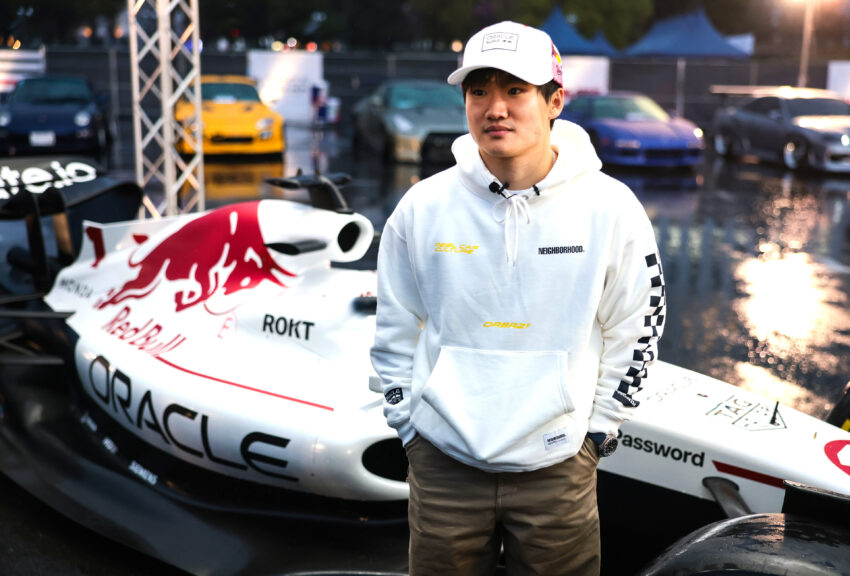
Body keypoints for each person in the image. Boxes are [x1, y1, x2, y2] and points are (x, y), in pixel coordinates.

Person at [370, 20, 666, 576]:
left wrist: (599, 431)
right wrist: (408, 427)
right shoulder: (422, 207)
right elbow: (395, 324)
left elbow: (638, 325)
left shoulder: (611, 207)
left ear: (555, 101)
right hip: (442, 461)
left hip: (559, 464)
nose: (495, 108)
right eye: (479, 90)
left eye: (515, 90)